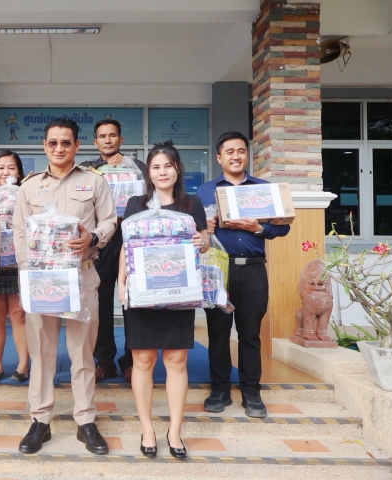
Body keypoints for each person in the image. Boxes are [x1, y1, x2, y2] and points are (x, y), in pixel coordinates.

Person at [12, 117, 117, 455]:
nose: (59, 148)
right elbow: (19, 232)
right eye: (53, 143)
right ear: (45, 146)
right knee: (41, 353)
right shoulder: (29, 186)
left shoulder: (94, 181)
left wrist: (93, 238)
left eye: (66, 142)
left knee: (82, 353)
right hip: (41, 280)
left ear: (77, 146)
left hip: (81, 276)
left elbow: (110, 221)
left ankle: (85, 421)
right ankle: (40, 421)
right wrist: (28, 274)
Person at [117, 141, 209, 459]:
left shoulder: (191, 203)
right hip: (142, 294)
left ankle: (175, 430)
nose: (162, 172)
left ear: (177, 169)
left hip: (178, 293)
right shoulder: (135, 204)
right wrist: (121, 282)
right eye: (156, 167)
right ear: (149, 173)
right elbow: (126, 246)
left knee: (176, 361)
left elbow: (204, 240)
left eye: (168, 165)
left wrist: (201, 241)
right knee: (142, 360)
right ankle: (147, 428)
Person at [196, 131, 291, 419]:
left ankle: (251, 390)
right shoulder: (205, 191)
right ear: (219, 157)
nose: (235, 156)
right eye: (229, 152)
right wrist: (204, 228)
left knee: (250, 333)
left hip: (252, 269)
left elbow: (283, 227)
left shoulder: (263, 188)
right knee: (218, 332)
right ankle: (220, 389)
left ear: (247, 155)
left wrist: (258, 228)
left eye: (241, 151)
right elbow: (194, 232)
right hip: (218, 270)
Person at [80, 119, 147, 384]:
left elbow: (151, 198)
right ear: (95, 142)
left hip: (133, 239)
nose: (108, 140)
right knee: (101, 302)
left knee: (133, 301)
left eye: (112, 135)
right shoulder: (88, 169)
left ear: (121, 140)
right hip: (102, 241)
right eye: (102, 136)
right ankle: (105, 361)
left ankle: (131, 361)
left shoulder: (138, 168)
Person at [0, 151, 30, 383]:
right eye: (0, 168)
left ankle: (23, 364)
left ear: (19, 172)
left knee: (19, 314)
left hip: (19, 261)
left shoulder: (25, 194)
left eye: (11, 167)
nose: (6, 172)